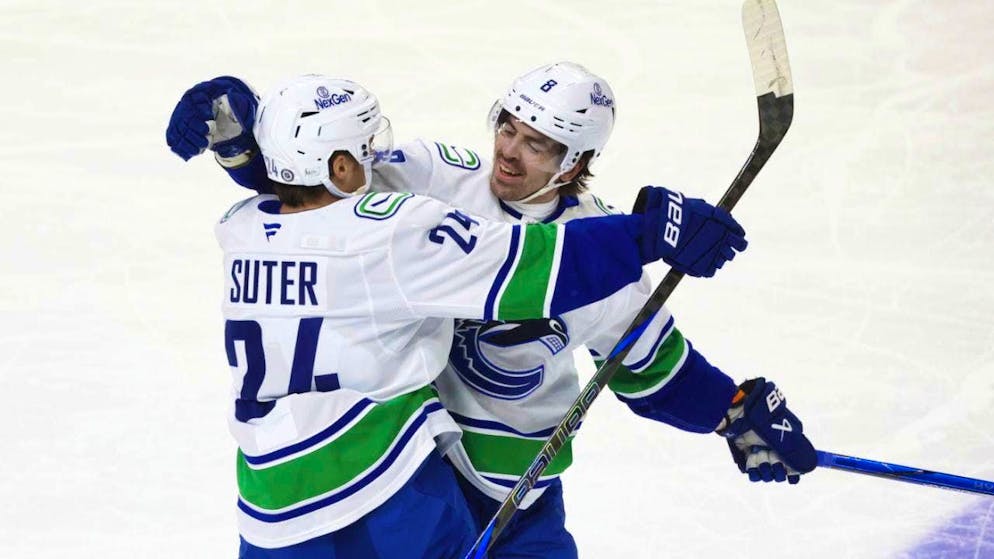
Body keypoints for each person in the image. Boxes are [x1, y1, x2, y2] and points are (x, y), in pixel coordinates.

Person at [167, 66, 817, 559]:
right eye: (507, 125)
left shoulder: (599, 252)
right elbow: (327, 192)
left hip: (519, 496)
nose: (509, 151)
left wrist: (731, 409)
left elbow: (654, 368)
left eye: (538, 145)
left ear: (577, 163)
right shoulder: (436, 177)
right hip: (422, 479)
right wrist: (253, 158)